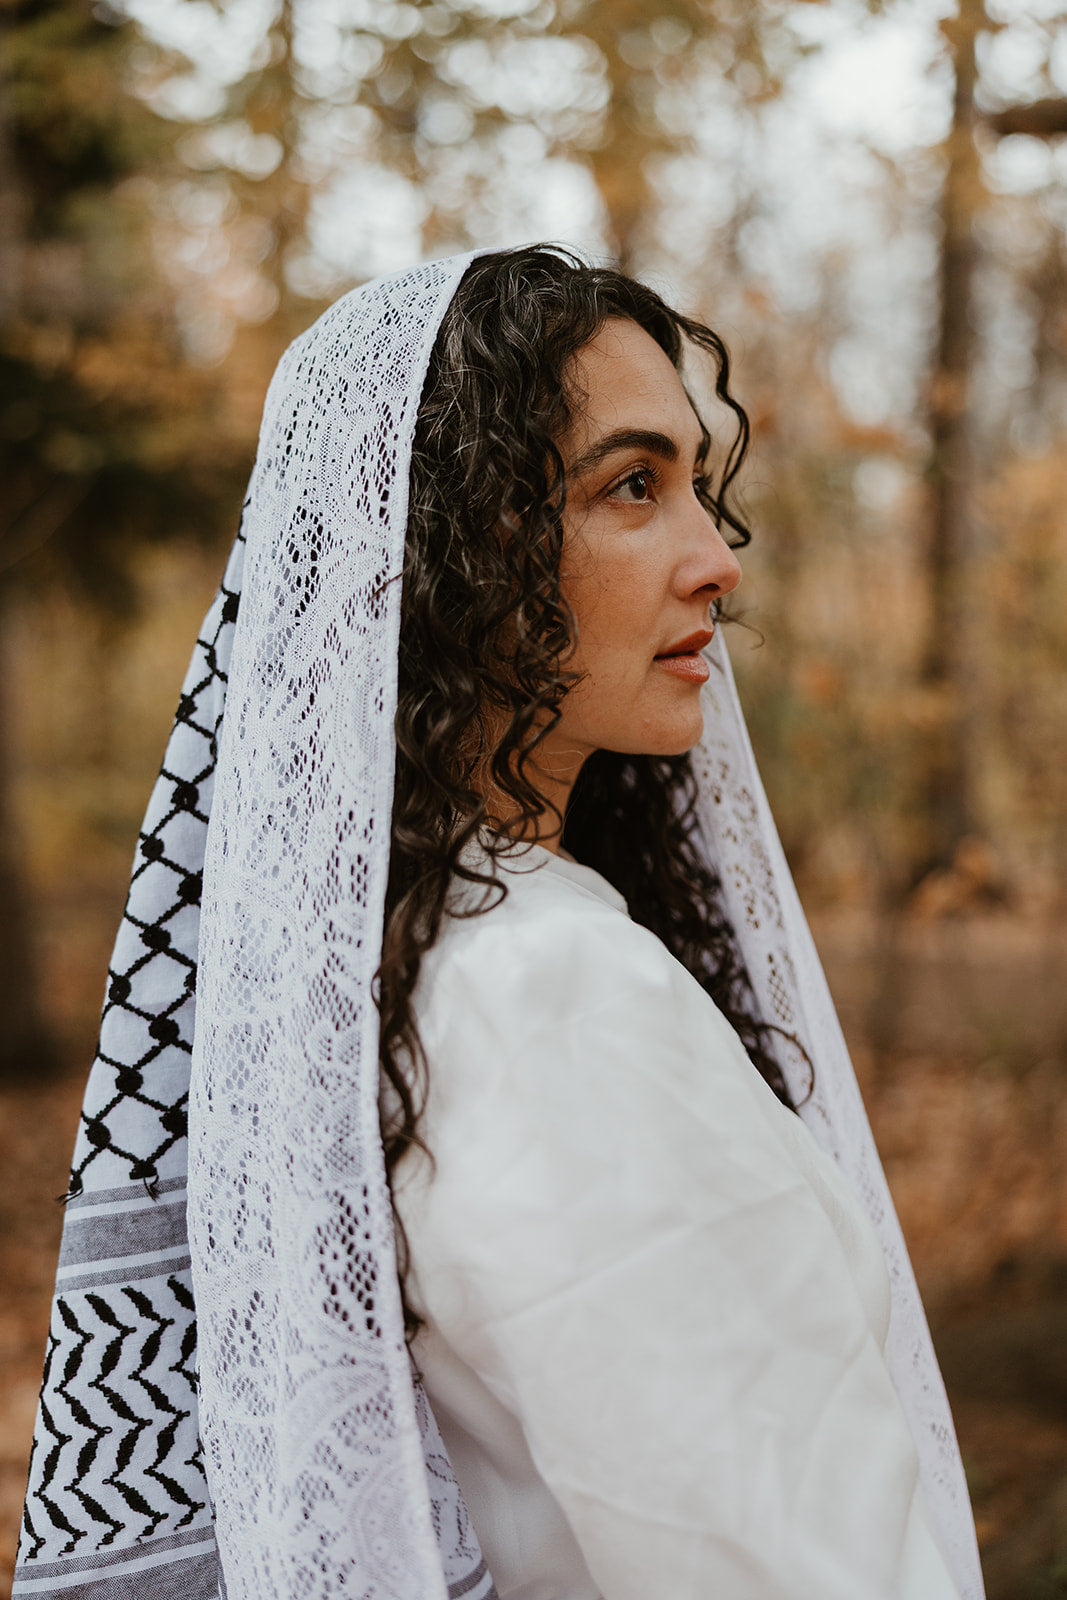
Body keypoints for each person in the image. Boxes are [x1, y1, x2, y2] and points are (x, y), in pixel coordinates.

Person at [14, 246, 985, 1600]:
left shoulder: (395, 964)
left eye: (696, 485)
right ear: (456, 545)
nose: (717, 561)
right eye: (631, 486)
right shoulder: (552, 993)